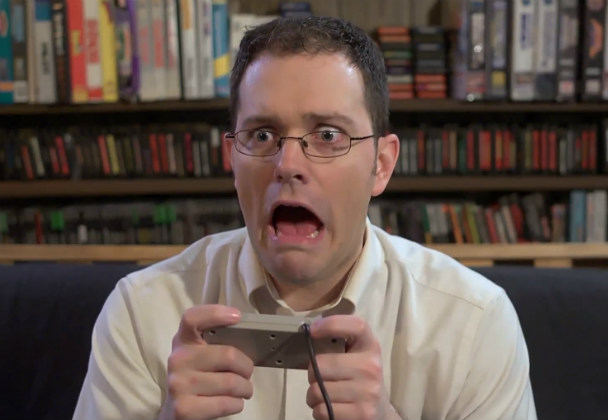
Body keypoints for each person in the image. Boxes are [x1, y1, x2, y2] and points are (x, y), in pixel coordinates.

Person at [73, 16, 537, 420]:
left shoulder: (475, 322)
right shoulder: (141, 311)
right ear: (232, 159)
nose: (288, 164)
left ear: (381, 165)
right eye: (262, 135)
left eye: (328, 135)